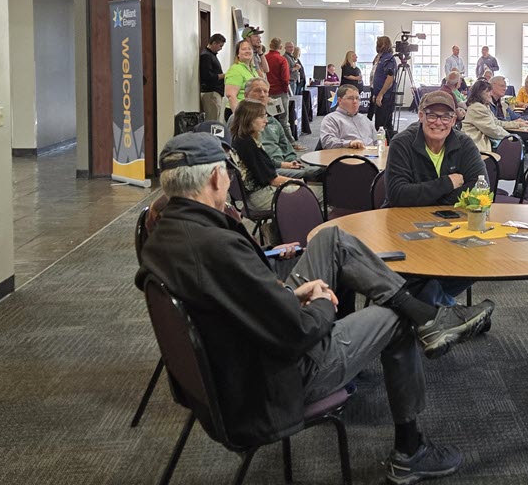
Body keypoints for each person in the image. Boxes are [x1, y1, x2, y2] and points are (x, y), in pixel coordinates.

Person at [137, 131, 495, 484]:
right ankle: (410, 451)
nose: (229, 180)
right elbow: (298, 333)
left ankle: (427, 317)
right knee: (395, 318)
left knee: (331, 239)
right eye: (227, 173)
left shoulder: (166, 235)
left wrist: (289, 294)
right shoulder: (216, 247)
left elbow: (237, 298)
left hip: (243, 357)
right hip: (280, 376)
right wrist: (321, 302)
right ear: (216, 178)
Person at [386, 91, 486, 207]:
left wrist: (431, 200)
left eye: (445, 117)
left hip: (451, 217)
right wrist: (447, 183)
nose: (438, 122)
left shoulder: (465, 144)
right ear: (421, 116)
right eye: (432, 116)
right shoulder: (401, 143)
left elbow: (480, 188)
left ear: (453, 121)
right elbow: (397, 194)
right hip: (404, 218)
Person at [235, 78, 320, 183]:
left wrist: (292, 161)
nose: (262, 95)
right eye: (257, 91)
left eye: (265, 91)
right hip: (268, 170)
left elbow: (286, 146)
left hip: (284, 165)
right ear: (246, 95)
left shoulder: (274, 121)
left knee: (323, 172)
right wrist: (283, 165)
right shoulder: (240, 122)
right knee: (319, 174)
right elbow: (257, 160)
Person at [229, 99, 301, 214]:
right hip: (260, 197)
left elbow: (264, 166)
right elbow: (273, 180)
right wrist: (299, 182)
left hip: (254, 195)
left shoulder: (240, 139)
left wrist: (286, 166)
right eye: (262, 117)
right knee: (317, 194)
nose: (266, 121)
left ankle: (277, 227)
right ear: (249, 119)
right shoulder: (248, 144)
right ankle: (278, 229)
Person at [461, 79, 528, 152]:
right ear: (479, 93)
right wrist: (510, 136)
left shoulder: (484, 106)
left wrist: (517, 124)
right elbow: (491, 129)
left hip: (486, 140)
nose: (490, 94)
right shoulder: (477, 108)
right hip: (477, 145)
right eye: (487, 91)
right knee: (514, 147)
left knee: (515, 145)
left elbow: (497, 122)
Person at [320, 84, 379, 149]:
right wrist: (349, 143)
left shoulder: (365, 119)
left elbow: (377, 140)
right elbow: (327, 142)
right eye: (350, 98)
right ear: (339, 100)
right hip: (348, 156)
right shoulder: (331, 119)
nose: (355, 101)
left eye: (357, 98)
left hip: (371, 155)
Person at [371, 35, 398, 133]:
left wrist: (381, 94)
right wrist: (375, 94)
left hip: (386, 96)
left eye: (378, 43)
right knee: (379, 123)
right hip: (380, 94)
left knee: (383, 124)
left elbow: (390, 79)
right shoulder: (381, 58)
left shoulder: (388, 58)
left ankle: (388, 145)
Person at [224, 40, 258, 111]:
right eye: (243, 49)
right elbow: (231, 95)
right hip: (240, 110)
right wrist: (238, 116)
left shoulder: (253, 70)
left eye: (249, 49)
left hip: (252, 109)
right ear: (238, 54)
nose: (247, 51)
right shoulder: (235, 69)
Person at [200, 33, 226, 122]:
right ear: (214, 43)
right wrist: (224, 75)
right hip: (211, 92)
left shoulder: (211, 55)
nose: (221, 48)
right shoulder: (206, 56)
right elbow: (206, 76)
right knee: (212, 120)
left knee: (216, 118)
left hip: (215, 92)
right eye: (220, 46)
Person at [265, 38, 292, 117]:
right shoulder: (282, 60)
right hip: (280, 92)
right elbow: (285, 78)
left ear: (270, 45)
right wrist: (285, 90)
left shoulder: (264, 58)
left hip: (267, 92)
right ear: (280, 47)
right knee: (283, 119)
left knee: (269, 118)